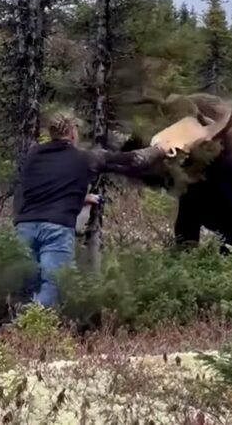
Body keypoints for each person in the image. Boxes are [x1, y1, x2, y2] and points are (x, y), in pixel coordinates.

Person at [13, 112, 167, 308]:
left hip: (24, 227)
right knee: (53, 284)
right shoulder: (84, 157)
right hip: (56, 229)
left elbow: (47, 187)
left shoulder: (33, 155)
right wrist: (160, 150)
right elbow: (133, 160)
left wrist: (83, 198)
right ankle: (30, 327)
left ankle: (14, 326)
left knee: (26, 286)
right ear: (71, 132)